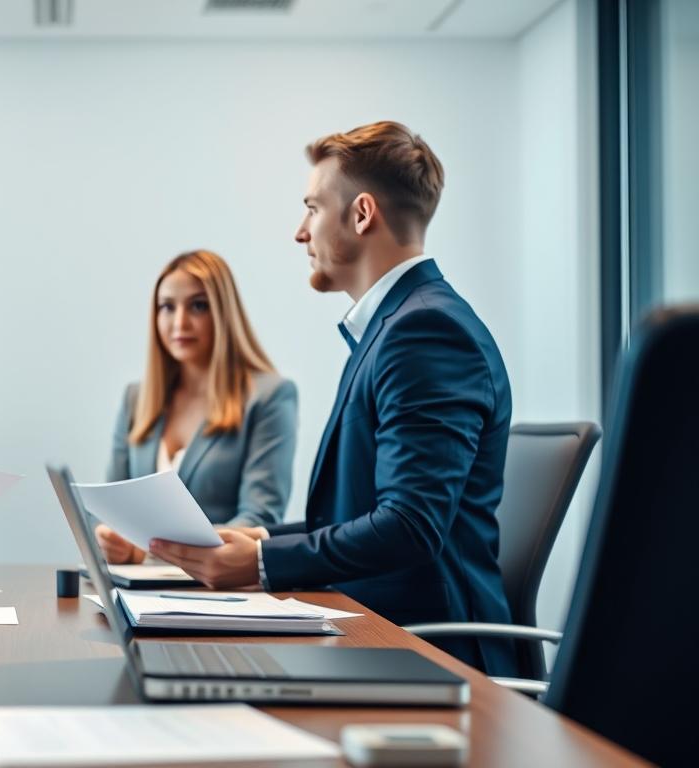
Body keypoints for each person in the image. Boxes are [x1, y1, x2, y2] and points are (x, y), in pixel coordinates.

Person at [149, 121, 517, 677]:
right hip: (374, 630)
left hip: (425, 654)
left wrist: (263, 562)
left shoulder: (426, 333)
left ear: (362, 213)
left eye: (313, 208)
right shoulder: (395, 327)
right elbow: (361, 516)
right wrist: (262, 538)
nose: (301, 232)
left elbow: (408, 526)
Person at [95, 250, 298, 565]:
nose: (180, 322)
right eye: (167, 307)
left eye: (198, 306)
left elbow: (259, 518)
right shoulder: (136, 398)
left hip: (218, 592)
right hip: (133, 589)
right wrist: (110, 539)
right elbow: (110, 507)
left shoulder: (271, 396)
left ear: (224, 313)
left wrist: (149, 553)